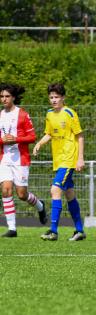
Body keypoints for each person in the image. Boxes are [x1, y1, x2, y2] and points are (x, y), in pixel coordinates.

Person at [33, 83, 86, 241]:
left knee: (55, 190)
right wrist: (39, 144)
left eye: (56, 97)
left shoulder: (70, 113)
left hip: (69, 159)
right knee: (69, 194)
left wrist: (80, 158)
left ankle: (53, 231)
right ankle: (79, 230)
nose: (54, 100)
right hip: (59, 160)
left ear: (63, 98)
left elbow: (79, 136)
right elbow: (49, 134)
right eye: (51, 97)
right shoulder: (49, 114)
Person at [0, 83, 47, 237]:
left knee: (21, 194)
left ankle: (40, 206)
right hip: (4, 158)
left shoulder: (22, 114)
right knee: (6, 190)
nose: (4, 99)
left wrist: (16, 139)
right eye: (2, 96)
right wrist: (3, 141)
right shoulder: (0, 115)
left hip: (21, 158)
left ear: (13, 97)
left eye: (7, 96)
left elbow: (32, 137)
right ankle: (12, 228)